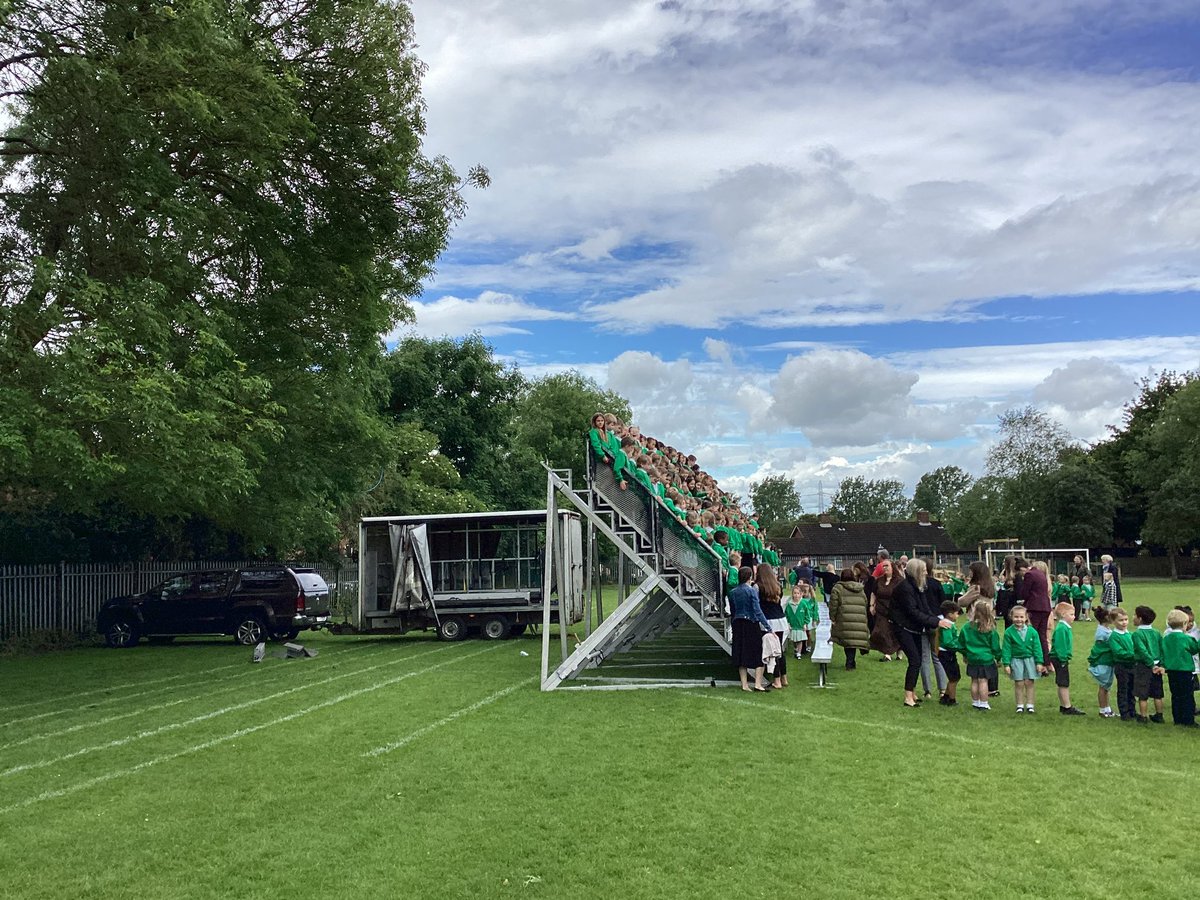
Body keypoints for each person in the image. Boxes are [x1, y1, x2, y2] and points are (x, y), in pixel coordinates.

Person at [889, 560, 955, 708]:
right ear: (916, 572)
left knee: (917, 660)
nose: (926, 572)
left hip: (914, 628)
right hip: (902, 627)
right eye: (923, 570)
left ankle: (911, 691)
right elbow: (913, 612)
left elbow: (924, 608)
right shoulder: (905, 588)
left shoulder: (919, 586)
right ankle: (908, 696)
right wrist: (936, 622)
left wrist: (939, 619)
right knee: (915, 660)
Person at [959, 561, 1000, 696]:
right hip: (989, 620)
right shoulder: (990, 586)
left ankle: (982, 690)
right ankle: (993, 687)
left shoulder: (975, 588)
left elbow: (962, 602)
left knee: (977, 648)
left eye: (971, 571)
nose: (969, 573)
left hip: (975, 620)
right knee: (989, 652)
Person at [729, 566, 772, 692]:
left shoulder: (733, 592)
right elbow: (757, 611)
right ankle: (758, 684)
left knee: (741, 653)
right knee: (758, 651)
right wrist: (768, 626)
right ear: (750, 577)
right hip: (750, 623)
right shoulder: (752, 591)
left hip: (737, 623)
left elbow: (733, 611)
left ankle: (744, 684)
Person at [910, 559, 947, 699]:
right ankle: (942, 689)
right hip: (936, 621)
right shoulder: (936, 584)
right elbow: (944, 603)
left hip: (921, 621)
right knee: (937, 656)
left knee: (924, 658)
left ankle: (927, 690)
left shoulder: (916, 585)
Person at [1001, 604, 1045, 714]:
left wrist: (1039, 662)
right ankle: (1019, 704)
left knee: (1029, 682)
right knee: (1019, 683)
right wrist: (1006, 663)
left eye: (1021, 617)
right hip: (1016, 660)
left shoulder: (1032, 631)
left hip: (1030, 660)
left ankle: (1030, 704)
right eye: (1016, 617)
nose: (1019, 619)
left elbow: (1037, 647)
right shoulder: (1009, 632)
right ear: (1011, 617)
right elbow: (1006, 649)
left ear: (1026, 618)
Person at [1162, 609, 1200, 727]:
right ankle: (1188, 720)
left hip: (1172, 670)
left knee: (1176, 695)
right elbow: (1194, 649)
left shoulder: (1166, 638)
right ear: (1184, 624)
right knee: (1187, 695)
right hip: (1185, 670)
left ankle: (1177, 718)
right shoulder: (1186, 638)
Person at [960, 600, 1001, 711]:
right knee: (983, 681)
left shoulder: (967, 627)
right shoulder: (990, 629)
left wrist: (965, 654)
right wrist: (998, 657)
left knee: (974, 680)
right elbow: (995, 646)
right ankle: (983, 703)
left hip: (972, 657)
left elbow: (961, 642)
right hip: (986, 659)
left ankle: (975, 702)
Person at [829, 568, 870, 670]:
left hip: (844, 618)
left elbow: (833, 605)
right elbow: (865, 602)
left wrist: (832, 617)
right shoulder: (860, 589)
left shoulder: (837, 588)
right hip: (858, 617)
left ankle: (850, 662)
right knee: (854, 639)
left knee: (848, 640)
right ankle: (852, 660)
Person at [1049, 601, 1086, 715]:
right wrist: (1063, 658)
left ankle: (1064, 705)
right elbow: (1060, 646)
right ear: (1064, 614)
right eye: (1071, 614)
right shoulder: (1061, 629)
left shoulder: (1065, 627)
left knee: (1062, 682)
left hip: (1061, 658)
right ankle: (1066, 706)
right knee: (1064, 682)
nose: (1074, 617)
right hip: (1060, 659)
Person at [1132, 605, 1166, 724]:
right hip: (1157, 666)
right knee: (1157, 693)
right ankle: (1159, 714)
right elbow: (1162, 649)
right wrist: (1161, 664)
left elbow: (1142, 651)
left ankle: (1143, 716)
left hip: (1144, 666)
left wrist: (1151, 664)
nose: (1133, 617)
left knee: (1143, 693)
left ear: (1140, 619)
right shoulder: (1156, 632)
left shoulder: (1137, 634)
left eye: (1135, 615)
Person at [1017, 558, 1052, 665]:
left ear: (1023, 568)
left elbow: (1025, 592)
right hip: (1045, 607)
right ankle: (1046, 662)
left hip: (1034, 607)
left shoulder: (1029, 574)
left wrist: (1022, 600)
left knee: (1032, 635)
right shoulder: (1040, 574)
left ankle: (1035, 661)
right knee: (1042, 636)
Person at [757, 565, 788, 689]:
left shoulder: (758, 587)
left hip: (767, 621)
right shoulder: (777, 586)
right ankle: (784, 677)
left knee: (772, 651)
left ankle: (777, 680)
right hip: (780, 619)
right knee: (779, 649)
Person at [869, 558, 903, 661]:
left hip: (894, 610)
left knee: (894, 631)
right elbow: (873, 593)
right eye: (883, 566)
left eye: (887, 565)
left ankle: (899, 650)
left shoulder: (899, 581)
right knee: (882, 630)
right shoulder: (879, 580)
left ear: (892, 567)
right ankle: (887, 653)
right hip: (880, 610)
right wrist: (871, 605)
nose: (885, 568)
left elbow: (904, 596)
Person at [1087, 607, 1116, 718]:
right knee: (1103, 686)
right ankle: (1102, 709)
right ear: (1106, 617)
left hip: (1108, 661)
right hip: (1103, 661)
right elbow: (1101, 647)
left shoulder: (1107, 630)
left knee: (1107, 686)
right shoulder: (1102, 632)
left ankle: (1107, 708)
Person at [1109, 608, 1137, 721]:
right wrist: (1134, 655)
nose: (1124, 622)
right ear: (1113, 621)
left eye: (1126, 619)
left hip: (1133, 665)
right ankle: (1124, 713)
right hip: (1122, 666)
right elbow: (1118, 652)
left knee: (1132, 689)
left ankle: (1132, 710)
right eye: (1121, 620)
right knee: (1123, 689)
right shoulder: (1114, 636)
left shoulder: (1130, 634)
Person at [937, 599, 962, 706]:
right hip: (947, 653)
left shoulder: (949, 623)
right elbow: (948, 642)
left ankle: (946, 696)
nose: (958, 616)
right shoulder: (947, 625)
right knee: (954, 677)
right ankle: (952, 699)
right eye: (956, 613)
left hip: (947, 653)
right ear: (950, 614)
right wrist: (959, 645)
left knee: (955, 676)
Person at [785, 583, 809, 659]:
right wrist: (788, 623)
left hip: (801, 625)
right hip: (793, 625)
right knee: (794, 640)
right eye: (794, 593)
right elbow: (786, 614)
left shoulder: (803, 604)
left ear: (800, 594)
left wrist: (805, 623)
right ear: (792, 594)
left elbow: (807, 615)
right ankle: (796, 649)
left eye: (798, 593)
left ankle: (799, 653)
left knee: (800, 640)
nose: (796, 595)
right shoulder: (789, 604)